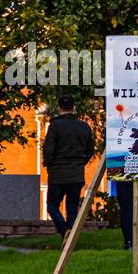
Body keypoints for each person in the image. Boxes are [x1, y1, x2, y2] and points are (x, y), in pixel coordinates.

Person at [42, 95, 94, 238]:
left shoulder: (55, 126)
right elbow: (90, 149)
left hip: (58, 174)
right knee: (72, 208)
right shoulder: (84, 126)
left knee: (52, 205)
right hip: (76, 174)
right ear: (74, 108)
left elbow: (48, 149)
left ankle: (64, 231)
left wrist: (49, 164)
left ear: (58, 108)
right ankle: (70, 238)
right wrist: (81, 162)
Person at [112, 178, 133, 249]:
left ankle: (129, 241)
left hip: (123, 178)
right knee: (128, 209)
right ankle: (130, 240)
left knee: (126, 209)